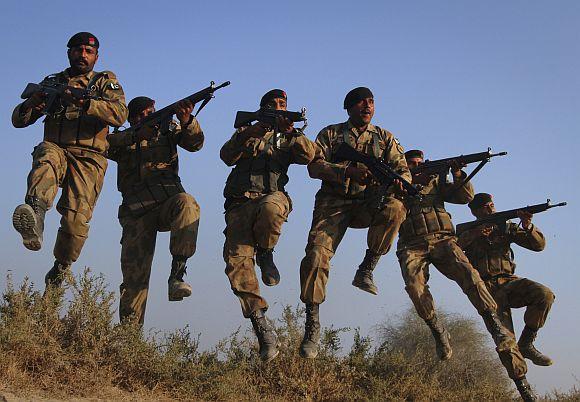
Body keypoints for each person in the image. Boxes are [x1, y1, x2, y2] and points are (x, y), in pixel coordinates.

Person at [398, 151, 535, 401]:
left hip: (443, 240)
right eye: (412, 164)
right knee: (415, 289)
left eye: (421, 163)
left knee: (469, 275)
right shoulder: (396, 182)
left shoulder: (436, 183)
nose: (418, 167)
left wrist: (457, 172)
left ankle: (499, 332)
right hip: (412, 244)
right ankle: (438, 330)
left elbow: (464, 197)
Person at [298, 87, 409, 359]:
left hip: (367, 204)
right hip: (333, 204)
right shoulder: (331, 134)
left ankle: (366, 268)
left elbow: (404, 170)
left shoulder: (385, 137)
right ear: (349, 107)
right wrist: (347, 171)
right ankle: (312, 323)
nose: (368, 106)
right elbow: (314, 167)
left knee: (396, 208)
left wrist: (398, 182)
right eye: (362, 102)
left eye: (371, 102)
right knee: (315, 256)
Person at [11, 32, 128, 287]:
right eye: (78, 50)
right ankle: (35, 214)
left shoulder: (105, 83)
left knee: (75, 223)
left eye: (88, 51)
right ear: (69, 53)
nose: (82, 55)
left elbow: (120, 115)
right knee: (46, 158)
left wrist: (85, 101)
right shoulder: (53, 81)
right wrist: (33, 104)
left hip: (89, 158)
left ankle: (61, 266)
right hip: (57, 147)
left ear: (97, 56)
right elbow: (18, 121)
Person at [220, 89, 316, 362]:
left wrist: (292, 132)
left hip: (272, 197)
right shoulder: (247, 131)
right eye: (273, 105)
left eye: (282, 104)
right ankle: (264, 332)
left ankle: (266, 252)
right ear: (262, 109)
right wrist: (252, 131)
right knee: (236, 265)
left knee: (272, 208)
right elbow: (226, 156)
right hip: (239, 205)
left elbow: (309, 156)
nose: (279, 107)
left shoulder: (288, 137)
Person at [107, 96, 203, 324]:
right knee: (134, 280)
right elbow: (103, 144)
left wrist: (187, 119)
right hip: (137, 212)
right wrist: (135, 135)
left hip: (166, 203)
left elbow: (196, 143)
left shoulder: (169, 131)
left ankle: (177, 274)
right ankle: (130, 340)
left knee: (188, 204)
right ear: (130, 120)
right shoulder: (124, 139)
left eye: (149, 113)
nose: (145, 118)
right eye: (140, 115)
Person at [459, 192, 554, 367]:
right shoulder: (467, 231)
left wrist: (527, 225)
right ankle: (520, 381)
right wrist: (475, 234)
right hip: (485, 290)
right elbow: (453, 248)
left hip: (509, 283)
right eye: (485, 206)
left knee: (544, 295)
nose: (490, 208)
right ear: (475, 212)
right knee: (505, 341)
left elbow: (538, 246)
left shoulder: (504, 226)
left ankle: (526, 344)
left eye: (491, 204)